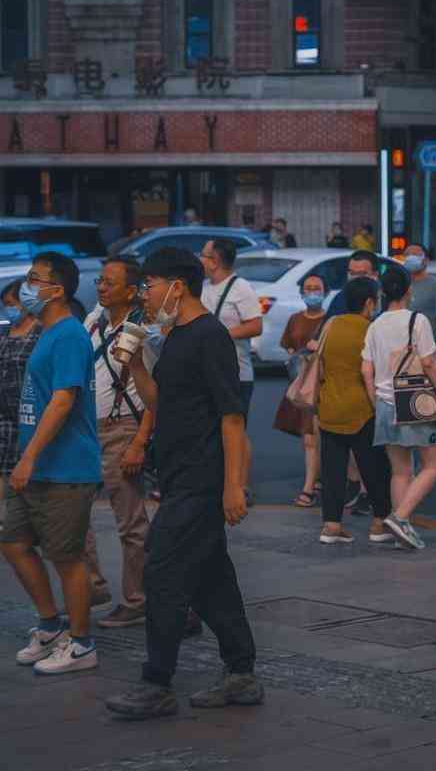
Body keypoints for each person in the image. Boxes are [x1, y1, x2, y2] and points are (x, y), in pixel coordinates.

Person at [106, 248, 261, 720]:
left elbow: (231, 418)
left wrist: (233, 487)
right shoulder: (175, 337)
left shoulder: (209, 336)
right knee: (211, 577)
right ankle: (241, 673)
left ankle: (157, 683)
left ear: (178, 286)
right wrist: (133, 365)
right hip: (176, 476)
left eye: (149, 286)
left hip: (202, 477)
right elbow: (163, 400)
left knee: (163, 569)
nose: (144, 296)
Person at [0, 252, 102, 675]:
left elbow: (63, 401)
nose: (27, 287)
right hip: (38, 467)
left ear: (56, 290)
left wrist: (28, 456)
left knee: (67, 557)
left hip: (64, 468)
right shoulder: (47, 332)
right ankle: (50, 626)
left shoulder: (69, 336)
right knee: (14, 543)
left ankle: (81, 644)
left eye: (34, 279)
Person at [82, 258, 155, 629]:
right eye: (99, 280)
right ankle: (91, 587)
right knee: (73, 513)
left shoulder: (142, 329)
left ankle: (137, 599)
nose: (101, 287)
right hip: (85, 430)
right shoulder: (94, 322)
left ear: (131, 291)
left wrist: (139, 441)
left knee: (130, 521)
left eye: (110, 282)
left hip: (122, 428)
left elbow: (155, 395)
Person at [362, 266, 436, 550]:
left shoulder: (375, 325)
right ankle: (400, 518)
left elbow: (367, 369)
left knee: (400, 471)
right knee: (435, 465)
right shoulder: (418, 320)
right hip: (415, 401)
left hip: (386, 403)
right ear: (409, 290)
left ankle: (400, 527)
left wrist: (376, 401)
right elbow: (428, 363)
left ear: (382, 292)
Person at [317, 278, 395, 544]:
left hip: (329, 406)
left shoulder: (331, 325)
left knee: (332, 470)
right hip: (362, 409)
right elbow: (376, 371)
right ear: (369, 302)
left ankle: (331, 526)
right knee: (374, 468)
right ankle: (379, 522)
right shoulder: (372, 329)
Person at [0, 281, 42, 533]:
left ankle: (26, 514)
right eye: (6, 306)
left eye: (12, 304)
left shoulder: (40, 331)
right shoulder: (7, 331)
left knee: (25, 458)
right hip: (3, 405)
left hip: (31, 407)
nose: (9, 310)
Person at [200, 239, 263, 498]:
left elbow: (255, 326)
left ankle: (241, 486)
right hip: (206, 372)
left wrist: (220, 334)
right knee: (211, 429)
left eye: (203, 255)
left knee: (236, 429)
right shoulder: (203, 288)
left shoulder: (241, 288)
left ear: (214, 260)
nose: (200, 260)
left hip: (237, 372)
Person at [274, 274, 327, 508]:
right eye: (308, 288)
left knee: (314, 438)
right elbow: (286, 345)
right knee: (309, 438)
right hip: (302, 385)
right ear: (301, 292)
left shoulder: (330, 320)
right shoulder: (295, 319)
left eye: (317, 288)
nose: (313, 292)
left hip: (322, 385)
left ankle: (310, 488)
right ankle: (314, 482)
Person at [405, 242, 436, 330]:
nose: (410, 257)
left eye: (415, 254)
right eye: (407, 254)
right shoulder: (401, 284)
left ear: (426, 260)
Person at [326, 250, 381, 317]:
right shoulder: (340, 298)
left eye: (361, 273)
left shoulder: (387, 298)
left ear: (375, 275)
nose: (355, 278)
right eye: (352, 273)